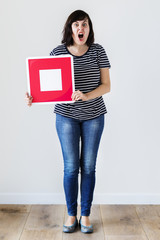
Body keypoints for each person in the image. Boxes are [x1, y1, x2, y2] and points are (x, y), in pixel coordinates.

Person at [25, 9, 111, 234]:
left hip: (94, 116)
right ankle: (71, 214)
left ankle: (85, 215)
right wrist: (34, 96)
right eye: (76, 25)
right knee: (71, 168)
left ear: (89, 29)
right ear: (70, 29)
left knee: (89, 167)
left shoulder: (98, 51)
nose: (80, 28)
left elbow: (107, 85)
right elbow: (47, 85)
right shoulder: (57, 52)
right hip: (66, 117)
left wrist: (86, 95)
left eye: (84, 24)